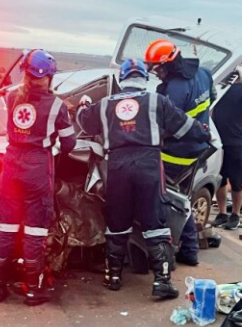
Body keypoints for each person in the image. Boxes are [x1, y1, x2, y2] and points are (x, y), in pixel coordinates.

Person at [76, 58, 211, 299]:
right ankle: (161, 282)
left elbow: (84, 122)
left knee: (117, 222)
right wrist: (203, 132)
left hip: (117, 166)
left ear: (122, 78)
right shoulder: (157, 101)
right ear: (144, 79)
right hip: (148, 164)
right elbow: (184, 127)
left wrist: (83, 104)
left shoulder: (105, 103)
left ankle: (113, 277)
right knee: (154, 221)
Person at [0, 49, 76, 306]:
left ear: (25, 73)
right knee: (34, 231)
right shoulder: (58, 106)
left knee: (5, 228)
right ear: (49, 76)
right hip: (37, 170)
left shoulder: (11, 96)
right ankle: (32, 291)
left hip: (11, 168)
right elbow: (69, 143)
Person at [144, 39, 216, 266]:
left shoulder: (175, 89)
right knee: (182, 198)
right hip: (197, 150)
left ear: (168, 64)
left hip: (174, 154)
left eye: (157, 68)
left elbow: (164, 124)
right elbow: (211, 100)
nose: (156, 73)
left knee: (167, 200)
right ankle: (190, 250)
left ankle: (171, 251)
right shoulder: (204, 73)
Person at [211, 56, 242, 230]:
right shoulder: (223, 85)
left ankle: (235, 215)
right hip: (219, 139)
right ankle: (222, 213)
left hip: (238, 140)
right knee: (220, 178)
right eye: (240, 63)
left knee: (237, 181)